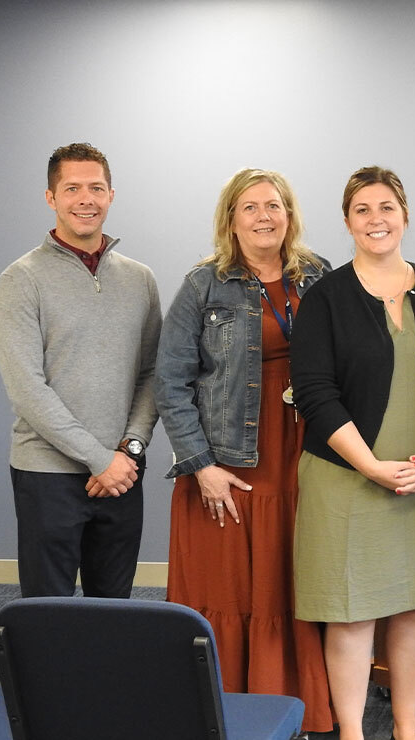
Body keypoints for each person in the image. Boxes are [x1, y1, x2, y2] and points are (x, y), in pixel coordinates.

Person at [290, 166, 415, 740]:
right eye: (362, 210)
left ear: (405, 215)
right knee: (352, 611)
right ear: (347, 221)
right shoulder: (324, 298)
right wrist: (370, 466)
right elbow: (315, 394)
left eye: (386, 208)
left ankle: (407, 729)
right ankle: (352, 731)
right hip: (347, 477)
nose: (376, 220)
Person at [155, 168, 333, 734]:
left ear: (290, 214)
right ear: (231, 218)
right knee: (228, 588)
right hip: (228, 461)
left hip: (306, 454)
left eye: (274, 205)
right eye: (251, 207)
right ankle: (224, 708)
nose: (264, 216)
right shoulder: (203, 285)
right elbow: (170, 383)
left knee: (295, 580)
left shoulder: (320, 277)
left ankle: (304, 708)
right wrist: (201, 465)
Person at [0, 142, 161, 598]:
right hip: (47, 473)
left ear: (111, 195)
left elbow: (151, 373)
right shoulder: (20, 280)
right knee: (47, 615)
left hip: (122, 471)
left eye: (96, 188)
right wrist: (97, 457)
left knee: (114, 607)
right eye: (72, 188)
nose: (86, 198)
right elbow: (28, 389)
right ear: (51, 198)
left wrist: (128, 449)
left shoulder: (140, 279)